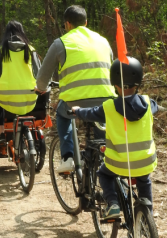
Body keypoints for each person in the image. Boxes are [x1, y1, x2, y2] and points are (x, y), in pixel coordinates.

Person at [71, 57, 158, 219]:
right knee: (144, 180)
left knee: (103, 174)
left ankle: (113, 204)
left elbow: (90, 113)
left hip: (119, 163)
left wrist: (77, 111)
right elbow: (155, 107)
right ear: (138, 83)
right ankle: (148, 216)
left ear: (115, 84)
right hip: (145, 161)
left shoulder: (109, 107)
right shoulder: (148, 103)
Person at [34, 5, 116, 173]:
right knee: (102, 125)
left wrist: (40, 88)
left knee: (62, 114)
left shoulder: (60, 43)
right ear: (86, 23)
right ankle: (106, 157)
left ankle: (67, 157)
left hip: (74, 102)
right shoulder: (103, 41)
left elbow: (43, 78)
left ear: (67, 24)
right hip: (107, 99)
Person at [0, 20, 41, 146]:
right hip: (29, 99)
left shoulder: (0, 51)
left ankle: (1, 133)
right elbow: (40, 75)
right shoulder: (31, 50)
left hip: (6, 100)